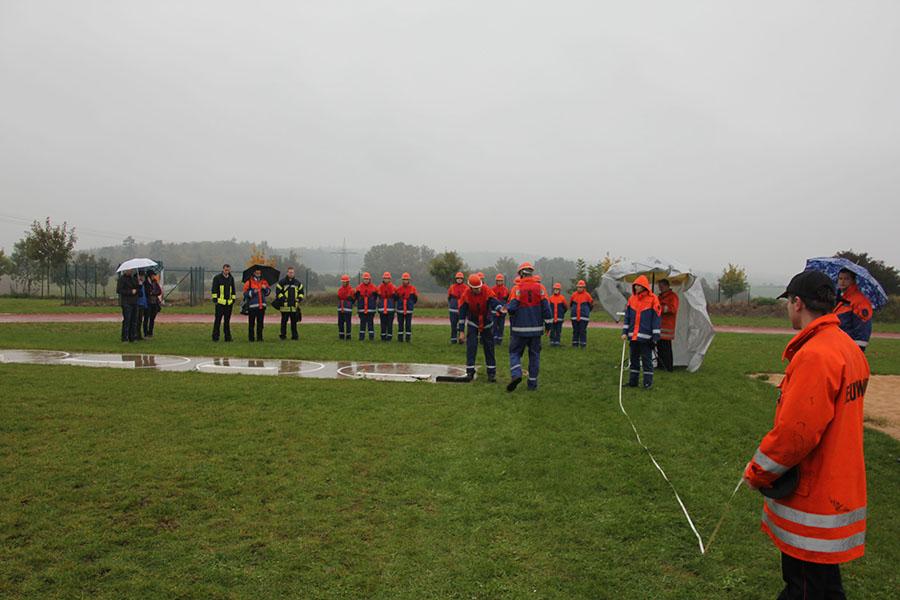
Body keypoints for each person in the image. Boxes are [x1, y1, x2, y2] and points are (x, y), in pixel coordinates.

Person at [743, 270, 868, 600]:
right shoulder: (847, 347)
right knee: (824, 587)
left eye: (788, 303)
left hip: (815, 495)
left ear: (797, 303)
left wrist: (758, 472)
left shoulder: (815, 354)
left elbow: (795, 435)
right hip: (839, 486)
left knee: (806, 588)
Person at [506, 262, 552, 392]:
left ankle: (516, 375)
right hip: (536, 331)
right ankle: (532, 384)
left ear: (520, 273)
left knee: (514, 352)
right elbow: (547, 309)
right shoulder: (541, 288)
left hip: (519, 330)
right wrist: (548, 325)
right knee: (534, 356)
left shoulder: (517, 288)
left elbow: (512, 308)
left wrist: (507, 308)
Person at [458, 273, 504, 382]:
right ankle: (470, 372)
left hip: (487, 322)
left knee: (489, 348)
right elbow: (462, 314)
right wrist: (461, 332)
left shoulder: (487, 290)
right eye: (475, 288)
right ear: (470, 288)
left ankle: (491, 374)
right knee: (471, 346)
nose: (478, 290)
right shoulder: (466, 295)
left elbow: (493, 301)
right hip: (473, 322)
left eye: (479, 287)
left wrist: (499, 308)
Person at [621, 275, 661, 389]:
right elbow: (627, 317)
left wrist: (655, 336)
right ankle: (633, 382)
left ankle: (647, 383)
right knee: (634, 360)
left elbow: (656, 318)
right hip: (633, 337)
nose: (636, 287)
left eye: (638, 285)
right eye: (635, 285)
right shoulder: (631, 299)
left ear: (644, 287)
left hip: (646, 337)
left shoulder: (653, 299)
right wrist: (624, 332)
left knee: (647, 360)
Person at [835, 268, 874, 352]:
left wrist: (858, 349)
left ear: (853, 281)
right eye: (840, 278)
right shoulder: (839, 299)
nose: (842, 281)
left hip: (850, 346)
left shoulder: (860, 301)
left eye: (846, 279)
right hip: (838, 342)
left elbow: (863, 327)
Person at [276, 267, 305, 341]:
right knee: (283, 322)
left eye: (292, 272)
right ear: (287, 273)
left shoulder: (297, 283)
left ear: (294, 273)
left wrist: (299, 299)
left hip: (294, 306)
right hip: (285, 306)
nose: (291, 274)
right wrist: (283, 299)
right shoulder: (282, 282)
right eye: (289, 272)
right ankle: (283, 335)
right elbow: (278, 292)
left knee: (294, 322)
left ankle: (295, 336)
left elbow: (301, 293)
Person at [657, 278, 679, 371]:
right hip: (659, 326)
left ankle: (668, 367)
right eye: (659, 287)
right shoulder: (660, 297)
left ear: (666, 286)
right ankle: (661, 365)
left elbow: (673, 309)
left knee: (666, 348)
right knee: (659, 348)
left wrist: (660, 308)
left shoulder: (672, 297)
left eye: (661, 287)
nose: (660, 289)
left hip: (667, 327)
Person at [242, 268, 270, 342]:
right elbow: (245, 294)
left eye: (259, 273)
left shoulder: (264, 281)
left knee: (260, 324)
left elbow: (268, 292)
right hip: (252, 306)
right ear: (254, 273)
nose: (258, 274)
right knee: (251, 324)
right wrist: (253, 292)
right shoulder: (249, 282)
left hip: (262, 306)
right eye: (257, 273)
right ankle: (251, 338)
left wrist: (265, 289)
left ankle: (260, 338)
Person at [211, 264, 236, 342]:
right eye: (226, 270)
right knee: (218, 320)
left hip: (229, 303)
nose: (227, 271)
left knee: (227, 321)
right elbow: (214, 289)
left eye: (228, 270)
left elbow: (233, 289)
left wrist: (233, 299)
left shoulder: (231, 278)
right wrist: (215, 299)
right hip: (220, 303)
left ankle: (227, 337)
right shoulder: (217, 278)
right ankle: (215, 337)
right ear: (223, 269)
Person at [116, 268, 140, 342]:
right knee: (127, 320)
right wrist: (130, 292)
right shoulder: (122, 279)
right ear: (125, 271)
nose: (130, 271)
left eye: (131, 270)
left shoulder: (134, 278)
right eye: (129, 270)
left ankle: (132, 337)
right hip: (126, 302)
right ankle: (125, 337)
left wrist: (139, 284)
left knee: (134, 320)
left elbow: (137, 289)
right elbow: (119, 290)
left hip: (134, 302)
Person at [569, 280, 593, 348]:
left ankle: (583, 345)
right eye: (578, 287)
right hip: (575, 316)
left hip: (584, 317)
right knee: (575, 331)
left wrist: (586, 312)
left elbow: (591, 305)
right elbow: (571, 304)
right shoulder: (574, 295)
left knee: (582, 331)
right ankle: (575, 344)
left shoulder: (587, 296)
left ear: (584, 288)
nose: (579, 288)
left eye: (581, 287)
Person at [395, 272, 418, 342]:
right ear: (402, 280)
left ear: (409, 280)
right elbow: (396, 298)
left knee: (408, 324)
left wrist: (410, 304)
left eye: (406, 279)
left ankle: (408, 338)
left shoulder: (413, 289)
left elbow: (415, 299)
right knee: (400, 324)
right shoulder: (398, 289)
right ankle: (400, 338)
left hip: (409, 309)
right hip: (400, 309)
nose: (405, 281)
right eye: (404, 280)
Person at [355, 272, 378, 341]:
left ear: (369, 279)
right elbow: (357, 297)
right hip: (362, 309)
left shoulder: (374, 287)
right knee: (362, 324)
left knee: (370, 323)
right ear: (363, 279)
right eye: (365, 279)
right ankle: (361, 338)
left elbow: (375, 297)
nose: (366, 280)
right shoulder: (358, 288)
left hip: (371, 309)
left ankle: (371, 338)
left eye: (367, 279)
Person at [447, 272, 467, 344]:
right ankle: (453, 339)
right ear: (456, 279)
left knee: (461, 325)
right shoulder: (452, 287)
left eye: (460, 278)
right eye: (458, 278)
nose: (459, 279)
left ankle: (461, 339)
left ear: (463, 279)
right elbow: (449, 297)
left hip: (462, 308)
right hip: (453, 308)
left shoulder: (466, 287)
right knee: (453, 325)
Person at [377, 271, 397, 341]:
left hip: (390, 308)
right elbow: (379, 296)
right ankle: (383, 337)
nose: (386, 279)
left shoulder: (393, 287)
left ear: (390, 279)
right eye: (385, 278)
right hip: (382, 308)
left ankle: (389, 337)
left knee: (390, 324)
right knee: (383, 324)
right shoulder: (380, 287)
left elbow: (396, 297)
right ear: (383, 279)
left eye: (387, 278)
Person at [491, 274, 509, 346]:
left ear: (503, 281)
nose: (499, 282)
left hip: (503, 310)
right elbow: (491, 300)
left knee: (501, 327)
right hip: (494, 311)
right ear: (496, 281)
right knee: (494, 326)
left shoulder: (506, 289)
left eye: (501, 281)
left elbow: (507, 300)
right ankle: (494, 340)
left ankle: (499, 341)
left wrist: (505, 308)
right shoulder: (492, 289)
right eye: (498, 281)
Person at [548, 282, 568, 347]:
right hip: (552, 318)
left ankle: (557, 341)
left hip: (559, 318)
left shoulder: (562, 298)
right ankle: (552, 341)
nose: (556, 290)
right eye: (555, 289)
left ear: (560, 290)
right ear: (553, 290)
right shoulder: (550, 298)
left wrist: (561, 313)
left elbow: (566, 307)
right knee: (552, 330)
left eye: (557, 289)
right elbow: (548, 308)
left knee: (558, 331)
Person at [144, 273, 163, 338]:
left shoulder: (155, 282)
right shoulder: (145, 283)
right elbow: (147, 292)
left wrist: (153, 293)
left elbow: (159, 291)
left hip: (155, 303)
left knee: (152, 318)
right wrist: (152, 292)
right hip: (148, 302)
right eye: (152, 275)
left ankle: (150, 332)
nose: (153, 276)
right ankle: (145, 332)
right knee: (146, 318)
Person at [337, 274, 355, 340]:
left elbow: (353, 299)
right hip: (340, 309)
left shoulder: (351, 290)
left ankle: (348, 336)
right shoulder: (340, 289)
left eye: (345, 282)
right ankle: (341, 336)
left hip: (347, 310)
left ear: (348, 282)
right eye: (343, 282)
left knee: (348, 323)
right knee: (340, 323)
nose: (344, 283)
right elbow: (339, 296)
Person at [135, 273, 149, 340]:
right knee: (137, 320)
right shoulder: (137, 284)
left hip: (143, 304)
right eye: (142, 276)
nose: (143, 278)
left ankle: (139, 335)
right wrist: (139, 286)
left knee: (140, 320)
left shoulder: (143, 284)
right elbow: (139, 294)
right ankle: (136, 335)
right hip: (138, 304)